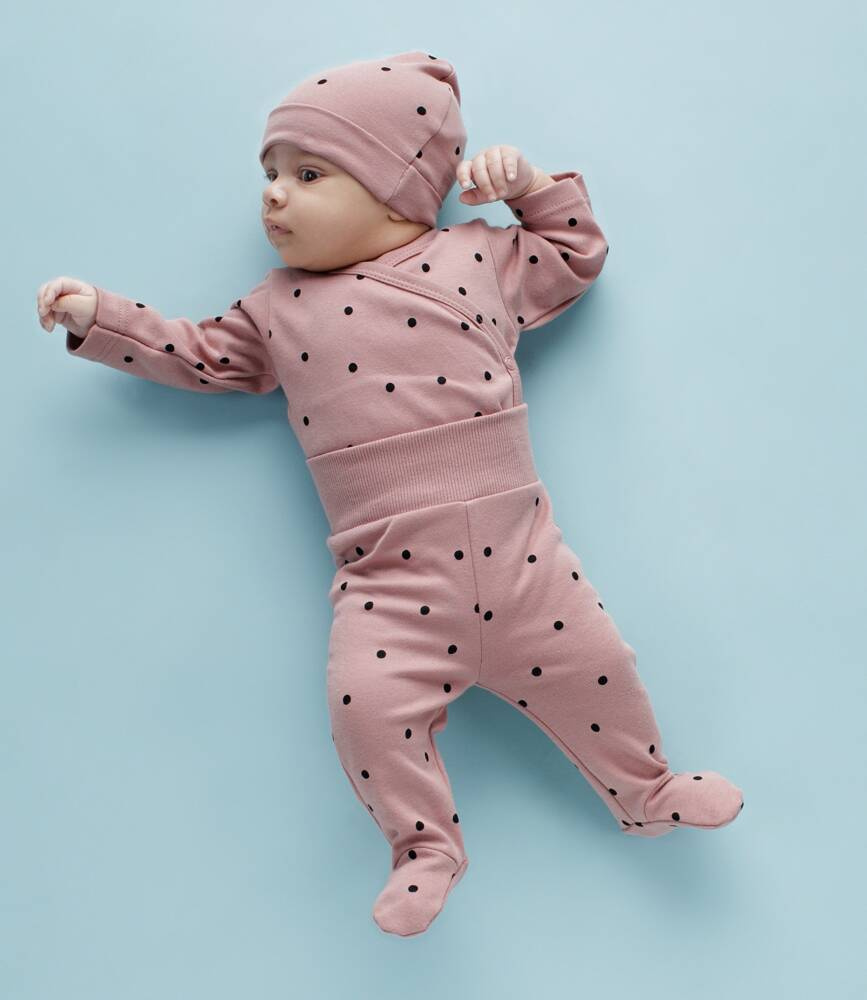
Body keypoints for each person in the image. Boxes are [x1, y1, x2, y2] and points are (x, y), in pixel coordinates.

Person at [35, 49, 744, 938]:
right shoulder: (276, 310)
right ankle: (423, 847)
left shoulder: (477, 257)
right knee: (362, 709)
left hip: (524, 562)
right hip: (390, 584)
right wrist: (100, 317)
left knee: (599, 664)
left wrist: (529, 188)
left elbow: (575, 255)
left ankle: (644, 788)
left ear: (395, 186)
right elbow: (202, 355)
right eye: (268, 175)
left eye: (307, 174)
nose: (273, 196)